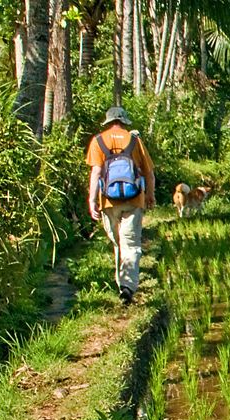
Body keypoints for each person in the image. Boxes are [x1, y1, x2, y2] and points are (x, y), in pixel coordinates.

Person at [86, 106, 155, 304]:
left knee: (118, 243)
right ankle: (127, 286)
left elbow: (96, 173)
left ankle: (122, 284)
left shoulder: (98, 141)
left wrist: (92, 201)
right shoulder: (134, 140)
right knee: (131, 244)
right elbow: (149, 172)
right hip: (134, 200)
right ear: (124, 122)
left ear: (108, 122)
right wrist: (150, 195)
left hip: (108, 201)